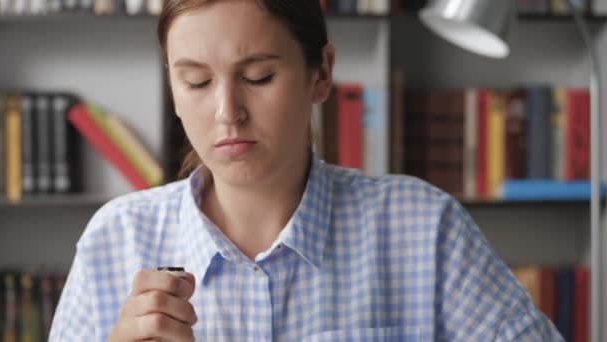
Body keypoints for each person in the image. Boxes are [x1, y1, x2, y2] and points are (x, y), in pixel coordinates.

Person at [49, 0, 565, 341]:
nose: (228, 112)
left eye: (258, 76)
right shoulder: (115, 239)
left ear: (321, 74)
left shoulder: (424, 227)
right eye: (197, 83)